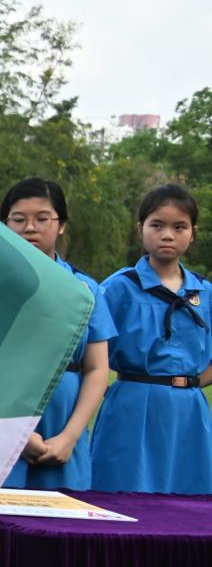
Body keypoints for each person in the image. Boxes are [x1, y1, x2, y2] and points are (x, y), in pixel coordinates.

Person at [90, 184, 212, 494]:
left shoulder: (204, 292)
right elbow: (88, 350)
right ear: (141, 229)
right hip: (132, 407)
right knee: (124, 494)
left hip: (190, 413)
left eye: (179, 227)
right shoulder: (118, 288)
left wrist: (188, 385)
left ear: (193, 233)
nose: (167, 235)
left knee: (190, 503)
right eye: (157, 225)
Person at [0, 178, 116, 491]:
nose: (29, 228)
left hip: (65, 425)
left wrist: (70, 437)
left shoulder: (86, 290)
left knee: (66, 512)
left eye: (42, 219)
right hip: (0, 426)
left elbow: (97, 368)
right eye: (18, 219)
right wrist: (16, 434)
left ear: (60, 225)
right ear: (4, 224)